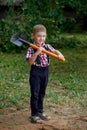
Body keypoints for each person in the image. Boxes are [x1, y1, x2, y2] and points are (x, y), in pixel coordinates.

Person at [26, 24, 64, 123]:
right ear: (33, 35)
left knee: (42, 92)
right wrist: (37, 52)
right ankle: (34, 115)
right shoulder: (31, 48)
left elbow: (54, 51)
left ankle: (40, 111)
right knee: (35, 93)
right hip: (36, 72)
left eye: (43, 36)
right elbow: (30, 62)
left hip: (45, 71)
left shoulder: (47, 46)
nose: (41, 38)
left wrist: (59, 53)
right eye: (39, 36)